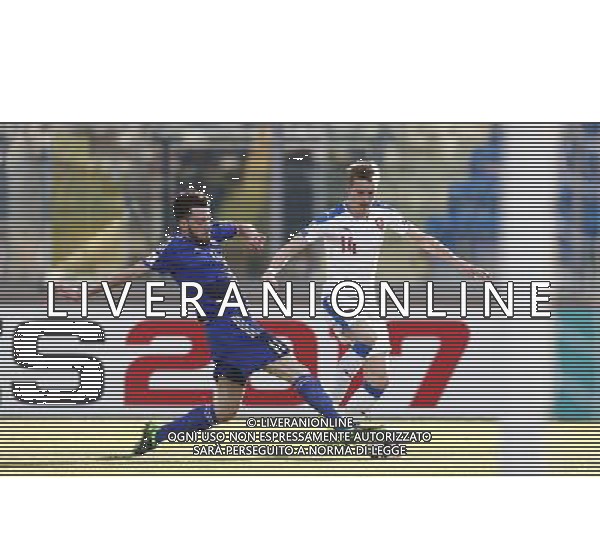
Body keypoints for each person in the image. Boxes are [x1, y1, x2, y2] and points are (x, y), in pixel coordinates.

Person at [56, 188, 347, 456]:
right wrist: (86, 291)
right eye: (200, 220)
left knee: (224, 411)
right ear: (183, 223)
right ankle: (342, 429)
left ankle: (156, 435)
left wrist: (250, 232)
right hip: (229, 324)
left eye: (209, 218)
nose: (207, 224)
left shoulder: (210, 234)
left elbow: (238, 225)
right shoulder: (173, 250)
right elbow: (132, 272)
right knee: (297, 370)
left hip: (221, 332)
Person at [263, 160, 490, 420]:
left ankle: (350, 422)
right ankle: (331, 401)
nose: (365, 198)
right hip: (340, 294)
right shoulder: (331, 219)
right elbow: (293, 246)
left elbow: (424, 240)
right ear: (348, 190)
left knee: (380, 379)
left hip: (367, 299)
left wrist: (460, 263)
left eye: (370, 193)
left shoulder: (384, 214)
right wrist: (271, 273)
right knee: (368, 339)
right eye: (360, 192)